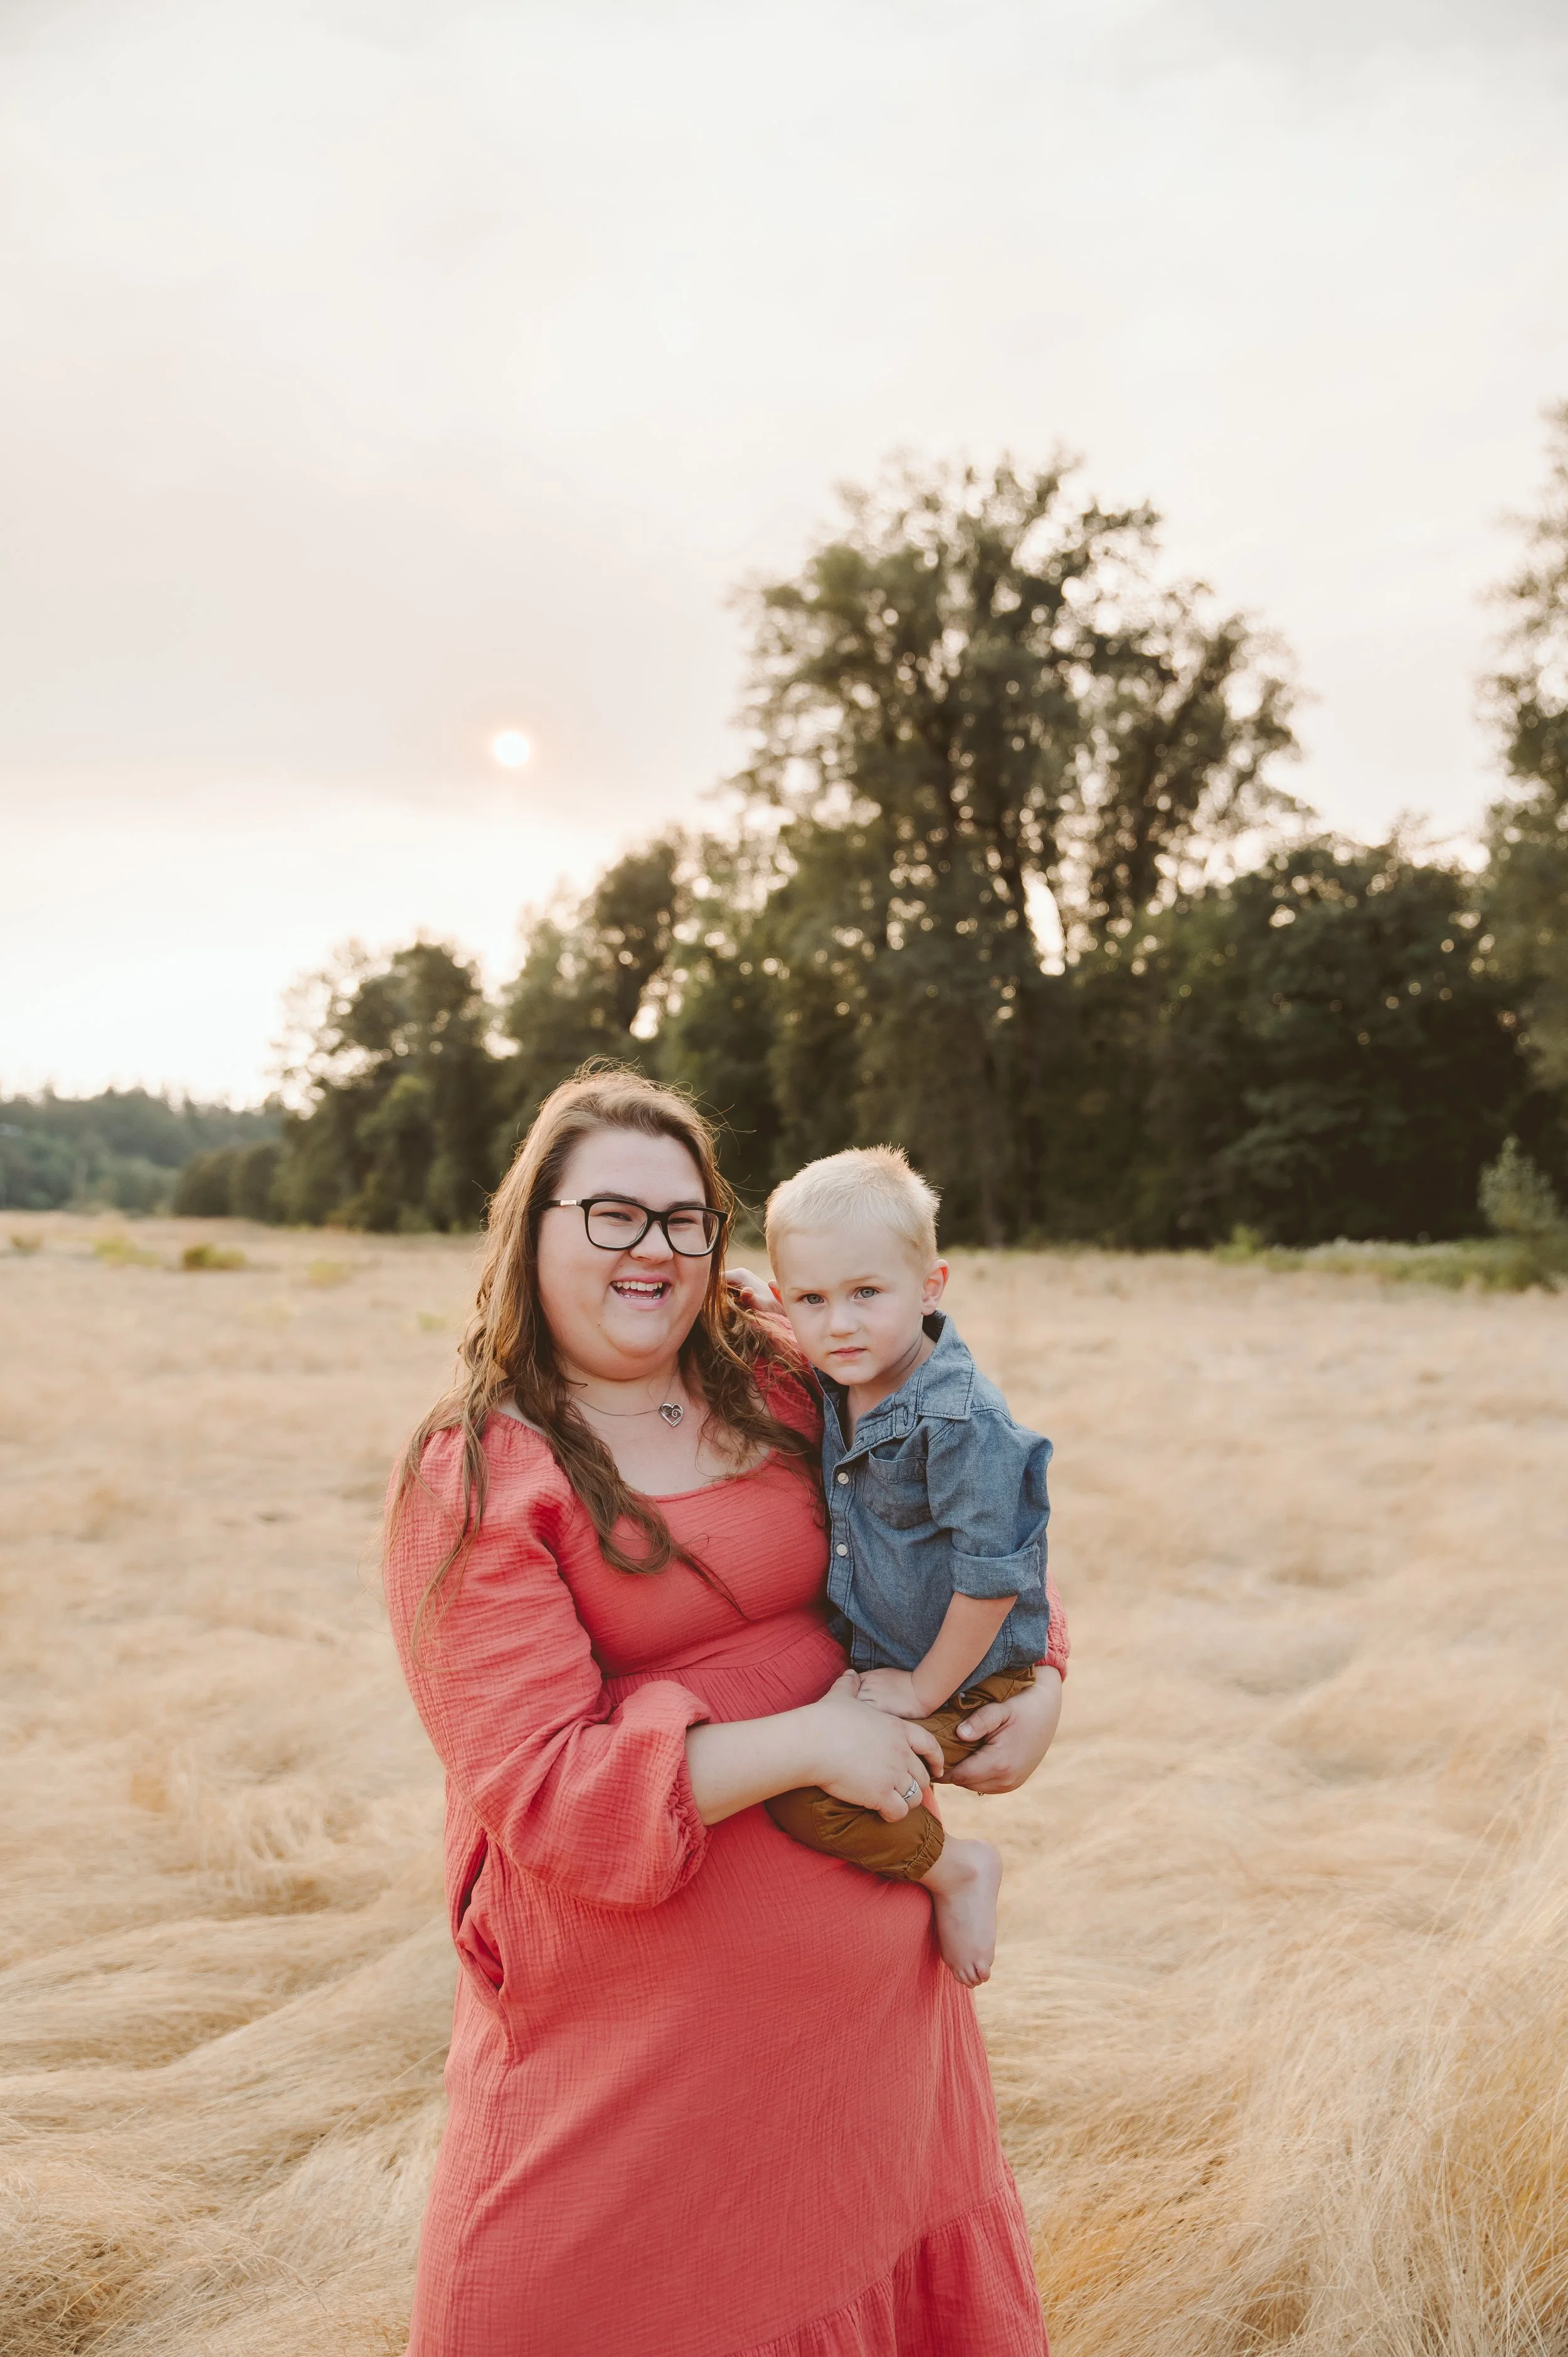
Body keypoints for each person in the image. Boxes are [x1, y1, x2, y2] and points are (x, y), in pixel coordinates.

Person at [383, 1067, 1068, 2357]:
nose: (654, 1249)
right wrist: (810, 1740)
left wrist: (1043, 1677)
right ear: (530, 1230)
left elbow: (962, 1497)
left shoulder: (779, 1371)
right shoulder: (481, 1474)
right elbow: (539, 1790)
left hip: (876, 2062)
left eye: (684, 1218)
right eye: (611, 1216)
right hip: (638, 2094)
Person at [756, 1146, 1049, 1989]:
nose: (838, 1324)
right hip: (900, 1665)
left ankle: (955, 1867)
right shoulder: (848, 1375)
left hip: (963, 1680)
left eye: (865, 1294)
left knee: (807, 1792)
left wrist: (923, 1693)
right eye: (811, 1300)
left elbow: (992, 1576)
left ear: (931, 1288)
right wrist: (761, 1305)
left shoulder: (959, 1421)